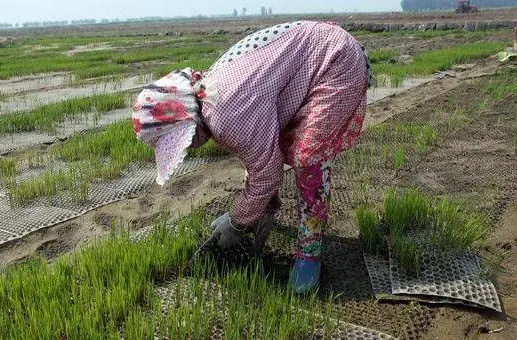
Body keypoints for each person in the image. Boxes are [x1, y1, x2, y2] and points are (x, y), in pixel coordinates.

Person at [132, 21, 373, 293]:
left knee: (309, 162)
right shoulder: (209, 91)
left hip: (335, 62)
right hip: (315, 53)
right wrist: (259, 209)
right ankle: (264, 222)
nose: (190, 149)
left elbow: (267, 173)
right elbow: (259, 155)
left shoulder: (224, 113)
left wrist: (237, 221)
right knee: (267, 158)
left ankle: (309, 257)